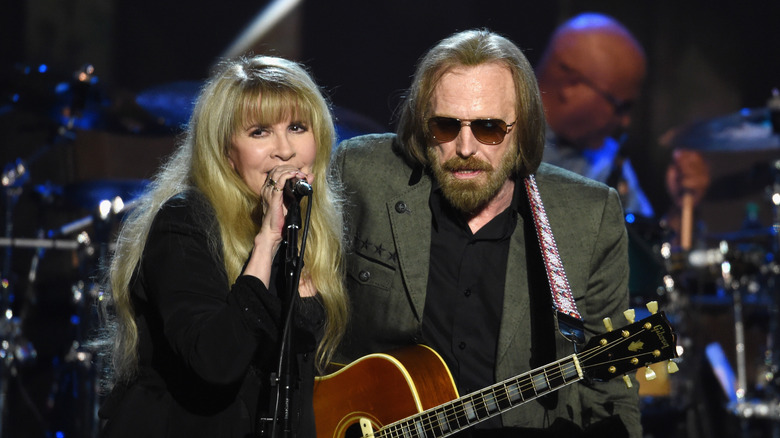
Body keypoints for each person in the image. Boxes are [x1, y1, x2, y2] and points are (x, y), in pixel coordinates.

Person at [331, 29, 642, 437]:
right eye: (444, 126)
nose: (464, 147)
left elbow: (612, 396)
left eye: (489, 128)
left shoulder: (588, 215)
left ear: (522, 128)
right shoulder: (362, 171)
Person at [95, 55, 349, 437]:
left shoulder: (312, 230)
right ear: (226, 152)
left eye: (297, 127)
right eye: (259, 132)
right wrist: (267, 240)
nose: (285, 150)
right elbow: (215, 362)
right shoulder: (185, 221)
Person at [536, 12, 710, 230]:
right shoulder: (494, 135)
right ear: (571, 85)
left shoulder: (609, 163)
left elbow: (643, 254)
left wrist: (683, 209)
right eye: (620, 106)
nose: (625, 121)